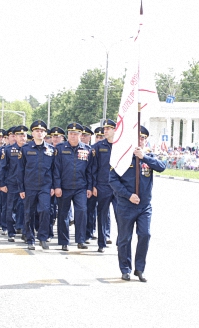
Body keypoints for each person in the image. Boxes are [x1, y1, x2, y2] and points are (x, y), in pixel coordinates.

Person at [109, 126, 166, 282]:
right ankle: (125, 269)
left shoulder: (148, 156)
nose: (141, 140)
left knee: (145, 235)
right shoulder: (122, 157)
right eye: (138, 137)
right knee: (125, 238)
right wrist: (128, 195)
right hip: (126, 205)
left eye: (143, 138)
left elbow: (162, 167)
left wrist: (144, 157)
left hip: (144, 206)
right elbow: (113, 180)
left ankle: (140, 268)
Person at [52, 123, 94, 251]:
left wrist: (89, 187)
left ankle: (80, 240)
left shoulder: (87, 149)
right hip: (64, 187)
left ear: (81, 135)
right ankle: (64, 241)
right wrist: (57, 186)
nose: (73, 136)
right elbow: (56, 169)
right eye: (71, 133)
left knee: (81, 212)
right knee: (63, 214)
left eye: (76, 134)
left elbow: (90, 170)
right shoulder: (60, 148)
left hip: (81, 187)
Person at [18, 120, 55, 250]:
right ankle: (30, 239)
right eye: (37, 131)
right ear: (32, 133)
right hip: (30, 186)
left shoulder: (51, 149)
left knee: (45, 210)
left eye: (42, 131)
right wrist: (21, 188)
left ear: (45, 134)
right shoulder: (25, 149)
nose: (39, 133)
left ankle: (43, 237)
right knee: (29, 213)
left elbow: (54, 170)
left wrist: (53, 186)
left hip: (45, 186)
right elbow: (20, 170)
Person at [0, 125, 28, 242]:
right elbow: (3, 167)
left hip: (27, 184)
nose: (22, 137)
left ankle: (23, 230)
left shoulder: (30, 149)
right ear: (15, 137)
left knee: (25, 208)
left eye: (24, 135)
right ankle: (11, 231)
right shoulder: (8, 150)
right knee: (10, 208)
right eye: (19, 135)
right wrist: (2, 183)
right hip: (12, 183)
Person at [93, 121, 117, 252]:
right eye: (104, 128)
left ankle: (121, 243)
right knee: (102, 215)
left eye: (108, 128)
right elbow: (94, 168)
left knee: (121, 216)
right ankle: (101, 243)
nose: (105, 131)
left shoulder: (121, 146)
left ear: (115, 130)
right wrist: (94, 185)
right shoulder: (98, 146)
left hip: (119, 186)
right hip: (103, 185)